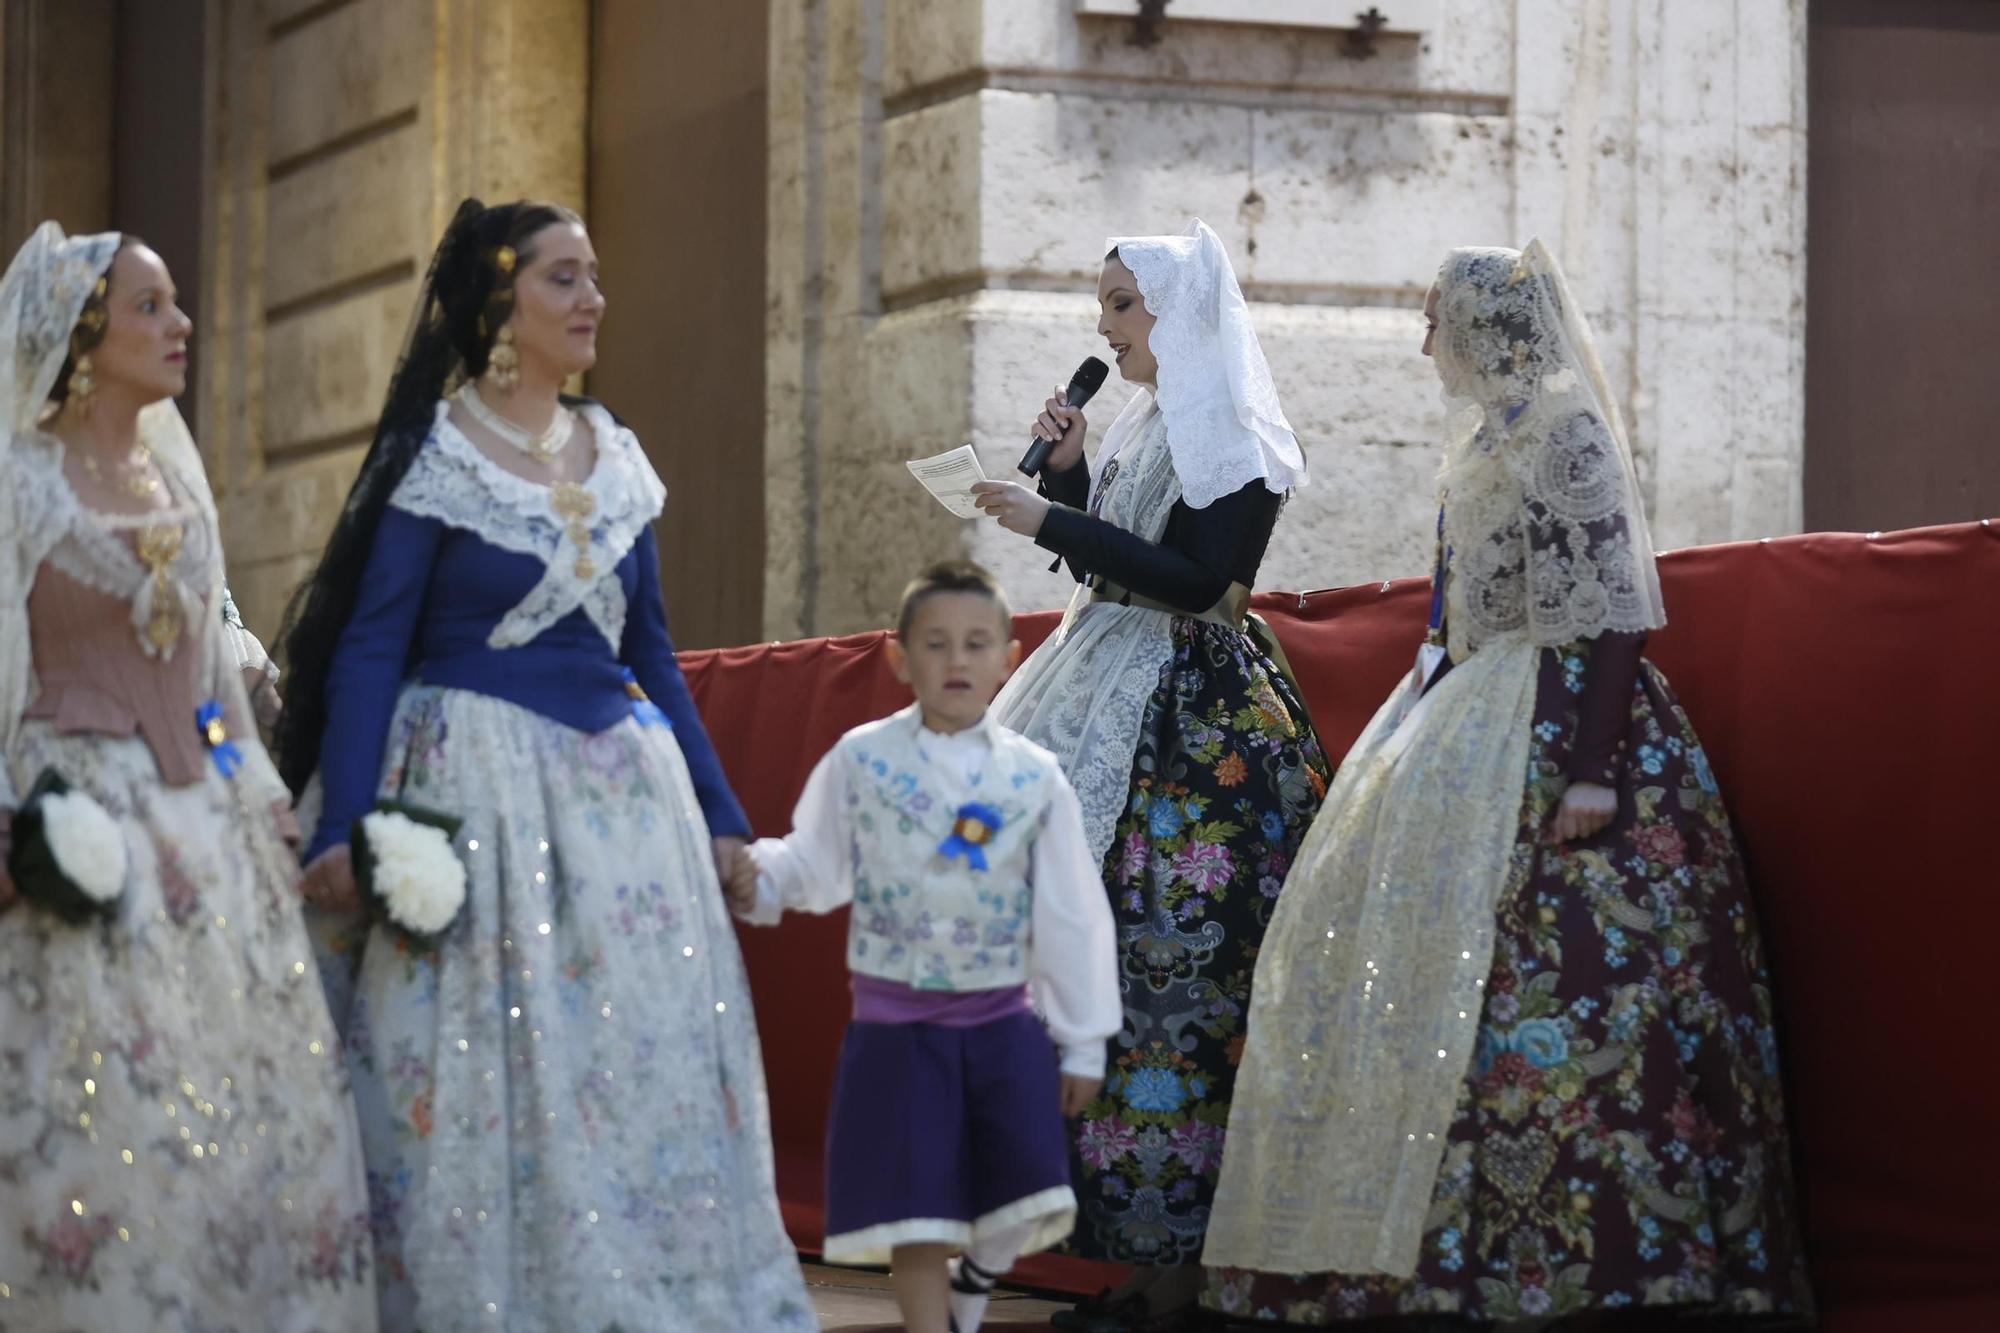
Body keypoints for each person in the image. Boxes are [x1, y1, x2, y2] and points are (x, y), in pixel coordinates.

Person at [1202, 241, 1813, 1325]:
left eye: (1434, 314)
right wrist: (1409, 720)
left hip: (1558, 717)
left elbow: (1617, 608)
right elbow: (1448, 608)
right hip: (1465, 708)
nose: (1422, 336)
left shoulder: (1564, 435)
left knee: (1563, 971)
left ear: (1486, 323)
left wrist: (1589, 772)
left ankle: (1600, 1258)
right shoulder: (1476, 445)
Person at [273, 198, 812, 1331]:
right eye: (564, 277)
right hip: (474, 789)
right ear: (498, 303)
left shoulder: (615, 452)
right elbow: (372, 641)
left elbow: (650, 651)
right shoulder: (438, 453)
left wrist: (719, 815)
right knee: (485, 1062)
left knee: (627, 1062)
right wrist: (341, 825)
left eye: (595, 276)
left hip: (624, 807)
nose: (592, 299)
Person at [0, 222, 376, 1329]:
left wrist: (257, 796)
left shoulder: (173, 476)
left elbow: (213, 681)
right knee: (102, 1092)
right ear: (82, 334)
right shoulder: (19, 481)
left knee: (242, 1092)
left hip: (205, 833)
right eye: (149, 307)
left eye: (174, 303)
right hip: (80, 819)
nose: (179, 324)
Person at [970, 219, 1330, 1331]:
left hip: (1197, 728)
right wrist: (1071, 482)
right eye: (1106, 303)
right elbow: (1112, 558)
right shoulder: (1144, 419)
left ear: (1176, 316)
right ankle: (1134, 1249)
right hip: (1103, 675)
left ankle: (1191, 1262)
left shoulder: (1235, 428)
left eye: (1121, 304)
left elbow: (1196, 578)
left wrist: (1053, 513)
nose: (1104, 323)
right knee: (1097, 961)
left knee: (1180, 962)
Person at [732, 559, 1121, 1333]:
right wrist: (758, 876)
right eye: (936, 644)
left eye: (977, 643)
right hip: (894, 1028)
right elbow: (813, 861)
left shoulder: (1034, 777)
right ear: (900, 659)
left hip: (1002, 1024)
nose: (957, 660)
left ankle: (974, 1282)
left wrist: (1082, 1040)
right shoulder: (862, 759)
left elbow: (1072, 912)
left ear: (1009, 659)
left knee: (1025, 1187)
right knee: (914, 1209)